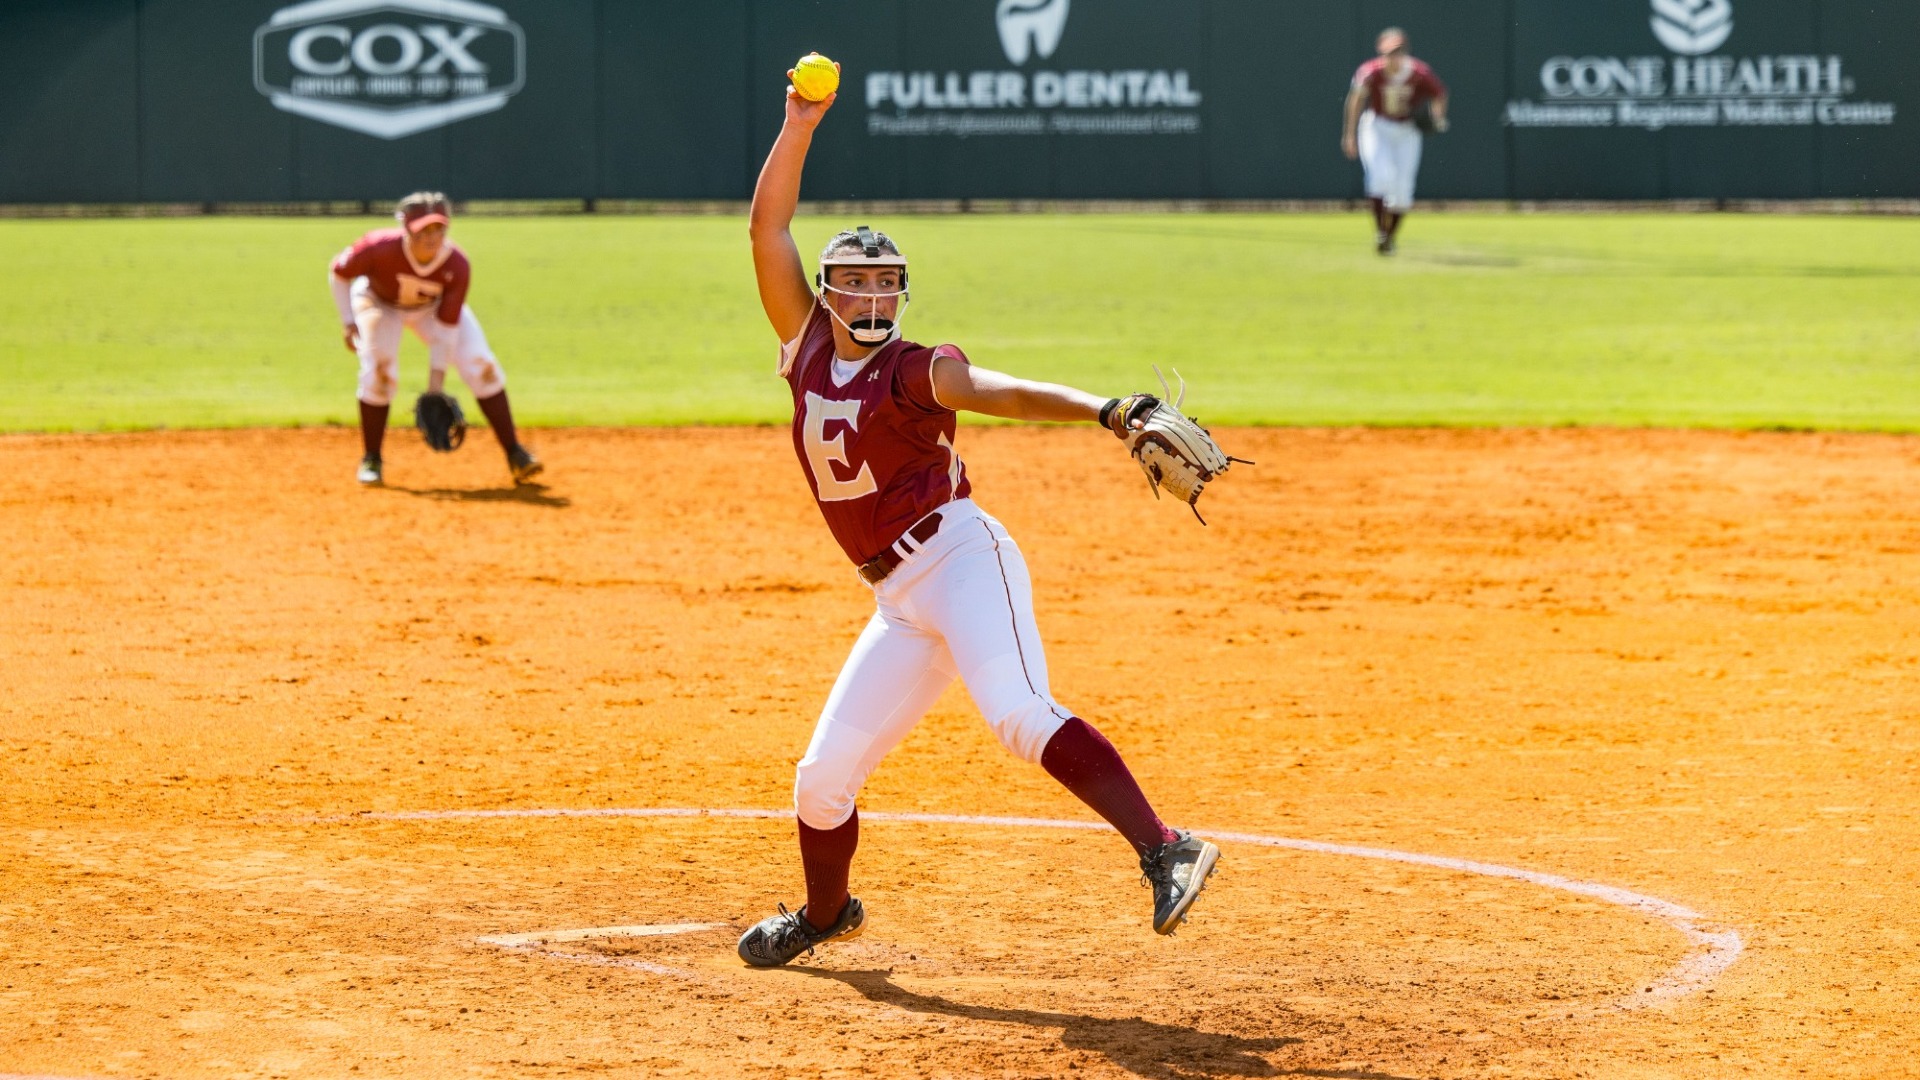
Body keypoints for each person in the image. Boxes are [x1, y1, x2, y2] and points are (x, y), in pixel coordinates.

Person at [734, 63, 1221, 969]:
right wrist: (800, 123)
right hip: (895, 600)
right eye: (855, 285)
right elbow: (768, 225)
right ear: (827, 295)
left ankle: (1168, 848)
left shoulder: (916, 368)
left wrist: (1106, 408)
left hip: (959, 559)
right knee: (821, 780)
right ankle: (826, 913)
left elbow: (1003, 391)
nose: (873, 301)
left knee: (1017, 714)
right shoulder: (803, 346)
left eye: (887, 287)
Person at [328, 192, 542, 486]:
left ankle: (516, 454)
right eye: (423, 230)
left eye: (438, 228)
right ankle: (372, 458)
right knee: (380, 369)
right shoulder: (378, 247)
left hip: (431, 309)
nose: (432, 237)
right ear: (406, 228)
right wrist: (347, 321)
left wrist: (434, 387)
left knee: (480, 364)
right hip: (379, 302)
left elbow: (446, 331)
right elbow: (339, 273)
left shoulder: (457, 265)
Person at [1342, 28, 1449, 255]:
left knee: (1403, 190)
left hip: (1407, 130)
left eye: (1399, 51)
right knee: (1379, 178)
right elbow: (1355, 101)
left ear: (1405, 52)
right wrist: (1349, 134)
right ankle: (1381, 232)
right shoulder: (1370, 71)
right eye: (1390, 52)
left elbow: (1440, 94)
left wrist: (1437, 118)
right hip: (1378, 126)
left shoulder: (1419, 72)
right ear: (1382, 53)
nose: (1394, 57)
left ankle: (1389, 238)